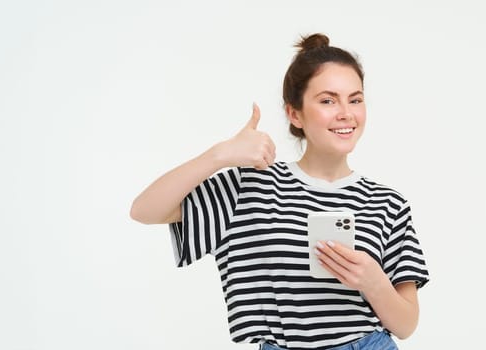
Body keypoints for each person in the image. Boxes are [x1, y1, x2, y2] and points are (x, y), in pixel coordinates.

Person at [130, 33, 429, 350]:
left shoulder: (388, 203)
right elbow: (145, 211)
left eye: (355, 99)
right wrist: (221, 155)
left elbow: (406, 324)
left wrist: (373, 281)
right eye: (328, 100)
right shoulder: (251, 185)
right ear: (294, 114)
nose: (346, 113)